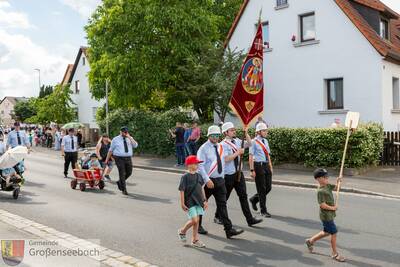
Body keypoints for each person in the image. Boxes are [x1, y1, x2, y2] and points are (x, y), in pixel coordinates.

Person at [196, 125, 244, 238]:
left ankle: (229, 230)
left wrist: (222, 177)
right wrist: (207, 180)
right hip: (208, 181)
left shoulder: (220, 146)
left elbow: (222, 161)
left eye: (217, 135)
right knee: (202, 204)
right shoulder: (203, 148)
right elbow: (200, 166)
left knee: (222, 205)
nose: (216, 137)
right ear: (209, 136)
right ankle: (198, 225)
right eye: (213, 135)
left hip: (220, 180)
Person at [214, 122, 263, 227]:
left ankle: (250, 219)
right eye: (231, 130)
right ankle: (218, 216)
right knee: (225, 198)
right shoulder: (222, 144)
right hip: (228, 175)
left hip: (239, 174)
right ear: (225, 133)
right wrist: (237, 153)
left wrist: (246, 133)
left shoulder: (237, 141)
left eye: (234, 129)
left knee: (243, 196)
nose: (234, 131)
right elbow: (226, 159)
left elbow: (250, 143)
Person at [306, 169, 345, 262]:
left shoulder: (327, 186)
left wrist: (338, 181)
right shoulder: (320, 191)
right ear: (319, 179)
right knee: (334, 233)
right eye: (325, 177)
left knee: (327, 232)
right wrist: (333, 208)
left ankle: (310, 241)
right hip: (326, 216)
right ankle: (334, 253)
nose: (327, 178)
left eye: (327, 176)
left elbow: (336, 188)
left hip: (329, 214)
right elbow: (322, 205)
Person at [177, 155, 208, 248]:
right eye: (195, 163)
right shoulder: (185, 176)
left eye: (198, 163)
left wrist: (205, 200)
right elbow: (182, 190)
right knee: (194, 220)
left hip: (199, 201)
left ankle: (195, 240)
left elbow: (201, 188)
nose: (197, 165)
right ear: (189, 165)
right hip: (189, 201)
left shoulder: (199, 175)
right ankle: (182, 231)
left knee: (196, 221)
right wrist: (182, 203)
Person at [249, 122, 273, 217]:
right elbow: (251, 156)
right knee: (261, 189)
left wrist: (270, 166)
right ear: (258, 132)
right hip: (258, 165)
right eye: (264, 130)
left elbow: (268, 154)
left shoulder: (265, 141)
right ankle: (263, 210)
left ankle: (254, 199)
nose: (266, 132)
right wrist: (251, 170)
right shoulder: (253, 142)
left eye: (266, 130)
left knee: (268, 187)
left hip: (266, 165)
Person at [105, 126, 138, 195]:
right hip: (119, 158)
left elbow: (135, 146)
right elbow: (110, 150)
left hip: (128, 158)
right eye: (124, 132)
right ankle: (124, 189)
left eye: (126, 132)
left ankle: (120, 182)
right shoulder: (115, 139)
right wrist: (106, 160)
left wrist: (129, 137)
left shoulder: (129, 138)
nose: (125, 133)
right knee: (122, 173)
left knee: (129, 172)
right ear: (120, 132)